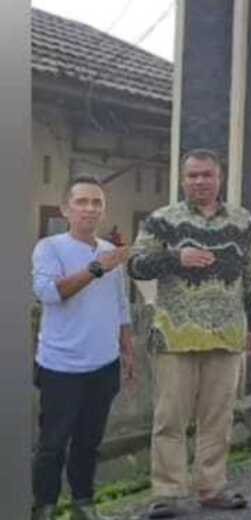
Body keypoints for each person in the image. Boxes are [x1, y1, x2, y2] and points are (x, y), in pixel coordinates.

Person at [128, 149, 251, 519]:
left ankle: (211, 488)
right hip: (175, 337)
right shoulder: (162, 220)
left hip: (227, 334)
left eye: (207, 174)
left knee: (218, 418)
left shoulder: (242, 221)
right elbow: (136, 265)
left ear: (219, 178)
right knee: (169, 418)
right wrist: (176, 257)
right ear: (182, 179)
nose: (200, 181)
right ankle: (167, 493)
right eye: (192, 175)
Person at [30, 176, 136, 520]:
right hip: (61, 366)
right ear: (66, 209)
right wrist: (96, 268)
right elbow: (49, 293)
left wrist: (127, 348)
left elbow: (121, 304)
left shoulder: (109, 251)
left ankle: (83, 503)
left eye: (96, 203)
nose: (89, 209)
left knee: (89, 442)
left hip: (103, 364)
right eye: (82, 202)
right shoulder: (49, 247)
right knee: (52, 444)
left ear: (103, 210)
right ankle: (44, 506)